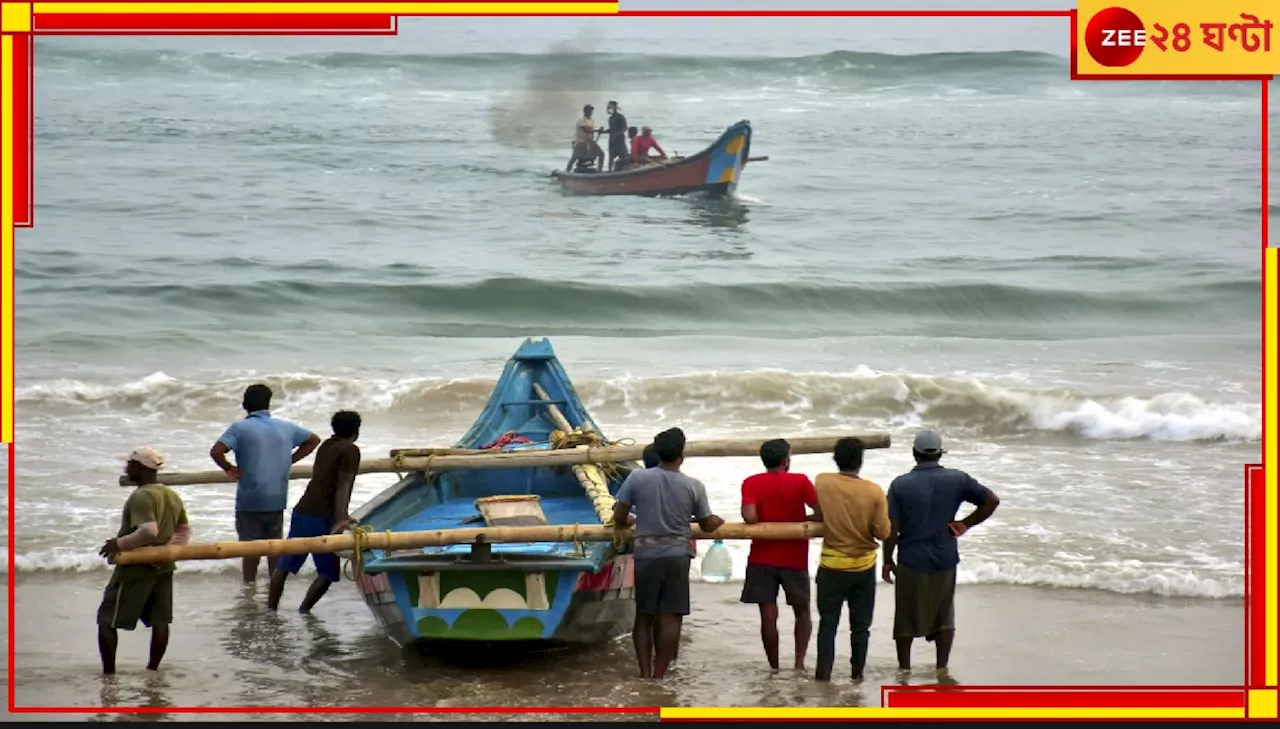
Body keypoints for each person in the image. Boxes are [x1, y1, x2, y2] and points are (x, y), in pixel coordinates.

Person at [882, 430, 1000, 673]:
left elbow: (892, 526)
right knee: (944, 614)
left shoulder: (900, 484)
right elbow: (991, 500)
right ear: (939, 454)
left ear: (914, 454)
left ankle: (904, 669)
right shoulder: (957, 479)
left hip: (911, 558)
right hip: (945, 556)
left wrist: (887, 559)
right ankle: (941, 668)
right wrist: (965, 523)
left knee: (905, 616)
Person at [612, 427, 724, 679]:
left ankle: (644, 672)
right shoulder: (694, 485)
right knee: (671, 617)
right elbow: (706, 524)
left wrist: (630, 521)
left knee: (644, 616)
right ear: (681, 455)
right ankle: (660, 675)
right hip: (677, 555)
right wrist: (717, 521)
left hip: (646, 554)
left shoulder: (637, 478)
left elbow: (619, 515)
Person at [210, 384, 321, 585]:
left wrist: (229, 468)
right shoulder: (286, 427)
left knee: (250, 550)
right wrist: (289, 460)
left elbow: (216, 451)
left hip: (250, 499)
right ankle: (274, 590)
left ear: (245, 405)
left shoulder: (239, 428)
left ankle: (249, 590)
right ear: (268, 404)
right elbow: (314, 440)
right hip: (277, 497)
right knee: (274, 548)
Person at [97, 447, 192, 675]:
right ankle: (152, 671)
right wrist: (164, 554)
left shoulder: (141, 495)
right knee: (160, 620)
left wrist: (118, 544)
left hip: (135, 567)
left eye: (129, 464)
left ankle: (109, 674)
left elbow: (149, 530)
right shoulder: (170, 494)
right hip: (164, 566)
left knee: (107, 619)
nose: (126, 468)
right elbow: (184, 531)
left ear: (139, 468)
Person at [267, 410, 362, 613]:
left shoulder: (327, 445)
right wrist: (341, 520)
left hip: (302, 511)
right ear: (356, 430)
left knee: (284, 566)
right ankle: (304, 611)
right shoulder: (350, 450)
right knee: (328, 572)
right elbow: (343, 486)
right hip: (322, 516)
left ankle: (271, 611)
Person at [812, 437, 890, 682]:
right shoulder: (874, 491)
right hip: (863, 567)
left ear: (836, 459)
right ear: (861, 461)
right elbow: (883, 532)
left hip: (832, 564)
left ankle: (823, 675)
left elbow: (820, 512)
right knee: (860, 627)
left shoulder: (822, 482)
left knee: (827, 624)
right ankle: (857, 675)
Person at [739, 438, 820, 672]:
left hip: (762, 557)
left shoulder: (752, 482)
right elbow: (821, 511)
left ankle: (774, 666)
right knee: (802, 610)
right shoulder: (800, 481)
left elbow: (750, 517)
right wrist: (803, 521)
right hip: (794, 556)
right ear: (786, 460)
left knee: (767, 615)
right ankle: (799, 664)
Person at [567, 103, 605, 172]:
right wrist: (597, 130)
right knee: (574, 158)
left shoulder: (591, 120)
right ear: (585, 111)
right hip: (580, 143)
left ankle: (600, 171)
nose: (590, 112)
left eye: (591, 111)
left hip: (590, 143)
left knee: (601, 154)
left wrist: (600, 131)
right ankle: (567, 172)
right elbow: (587, 130)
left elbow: (592, 131)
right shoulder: (581, 120)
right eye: (589, 110)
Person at [605, 101, 629, 171]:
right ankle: (609, 172)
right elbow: (611, 129)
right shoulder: (610, 118)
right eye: (609, 107)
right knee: (611, 157)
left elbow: (624, 128)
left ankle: (625, 170)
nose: (609, 108)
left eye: (610, 107)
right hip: (612, 141)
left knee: (624, 157)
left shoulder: (620, 117)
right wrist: (602, 131)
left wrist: (616, 134)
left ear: (615, 107)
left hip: (620, 141)